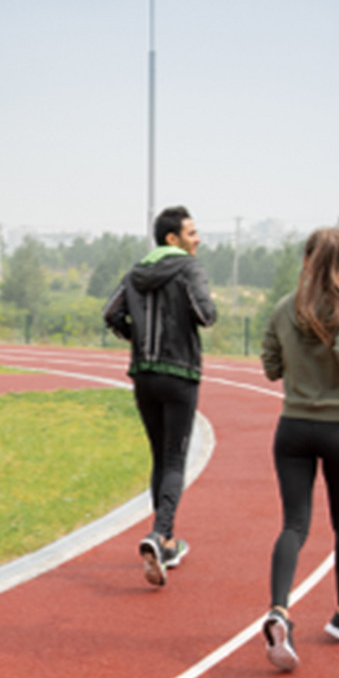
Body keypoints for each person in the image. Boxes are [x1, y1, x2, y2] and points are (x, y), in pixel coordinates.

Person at [259, 227, 339, 671]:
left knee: (294, 525)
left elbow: (271, 369)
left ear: (305, 260)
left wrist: (296, 360)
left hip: (292, 427)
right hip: (338, 430)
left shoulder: (283, 308)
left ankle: (279, 610)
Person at [104, 205, 217, 586]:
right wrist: (204, 299)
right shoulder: (189, 268)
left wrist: (137, 339)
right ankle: (158, 535)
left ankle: (166, 541)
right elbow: (207, 314)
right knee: (174, 459)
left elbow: (111, 314)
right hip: (180, 373)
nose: (197, 239)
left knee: (160, 456)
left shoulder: (136, 273)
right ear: (173, 239)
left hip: (144, 376)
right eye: (191, 233)